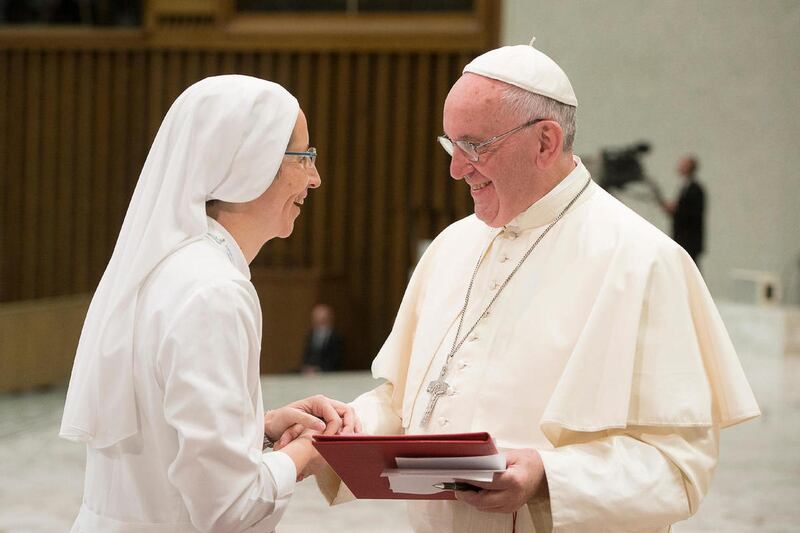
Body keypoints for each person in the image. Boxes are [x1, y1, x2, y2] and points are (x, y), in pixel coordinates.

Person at [314, 40, 760, 532]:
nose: (455, 168)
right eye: (450, 145)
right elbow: (409, 405)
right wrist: (344, 429)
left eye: (474, 146)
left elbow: (678, 472)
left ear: (545, 142)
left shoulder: (643, 261)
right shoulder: (451, 246)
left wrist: (549, 476)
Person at [60, 75, 358, 532]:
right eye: (304, 157)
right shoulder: (213, 291)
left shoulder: (163, 269)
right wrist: (309, 453)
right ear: (248, 164)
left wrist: (260, 428)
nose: (314, 179)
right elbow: (227, 509)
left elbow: (161, 435)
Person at [653, 156, 706, 266]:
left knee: (689, 268)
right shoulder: (685, 187)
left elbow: (692, 214)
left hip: (689, 240)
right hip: (682, 238)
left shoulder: (695, 189)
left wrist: (676, 210)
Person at [301, 303, 344, 374]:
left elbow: (336, 360)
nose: (320, 323)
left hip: (328, 373)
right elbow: (306, 355)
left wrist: (318, 370)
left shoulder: (336, 338)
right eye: (317, 320)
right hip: (309, 372)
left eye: (323, 320)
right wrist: (307, 368)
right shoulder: (310, 336)